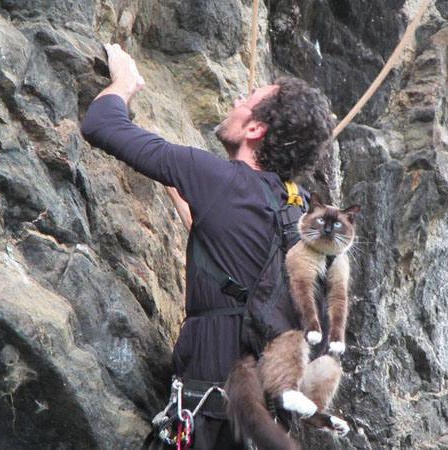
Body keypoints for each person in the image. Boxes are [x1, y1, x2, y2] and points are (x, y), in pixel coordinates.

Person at [80, 43, 334, 449]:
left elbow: (101, 124)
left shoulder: (217, 178)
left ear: (255, 130)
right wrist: (185, 195)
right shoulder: (300, 210)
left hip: (207, 419)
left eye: (245, 101)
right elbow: (244, 262)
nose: (235, 102)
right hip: (260, 425)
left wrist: (125, 82)